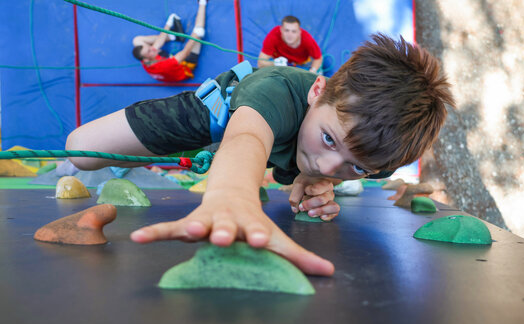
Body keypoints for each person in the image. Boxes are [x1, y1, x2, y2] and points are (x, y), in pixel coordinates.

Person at [65, 34, 454, 276]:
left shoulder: (357, 155)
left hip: (260, 147)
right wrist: (232, 197)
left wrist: (318, 181)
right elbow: (247, 137)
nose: (327, 165)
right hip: (206, 122)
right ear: (317, 91)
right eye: (330, 141)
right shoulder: (277, 91)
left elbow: (333, 160)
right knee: (82, 152)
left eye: (356, 167)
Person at [131, 0, 207, 82]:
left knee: (136, 41)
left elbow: (156, 46)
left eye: (149, 47)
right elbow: (185, 52)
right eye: (149, 51)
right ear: (146, 60)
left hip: (165, 61)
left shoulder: (147, 58)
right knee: (199, 30)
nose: (152, 48)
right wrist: (195, 35)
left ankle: (174, 36)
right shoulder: (164, 66)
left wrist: (168, 24)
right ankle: (203, 3)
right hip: (184, 66)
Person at [257, 15, 323, 74]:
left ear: (299, 32)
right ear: (281, 30)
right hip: (280, 62)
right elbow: (260, 63)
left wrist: (312, 71)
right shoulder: (273, 36)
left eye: (293, 31)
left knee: (315, 71)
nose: (290, 35)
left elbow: (318, 58)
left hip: (302, 63)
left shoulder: (307, 39)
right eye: (286, 30)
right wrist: (275, 63)